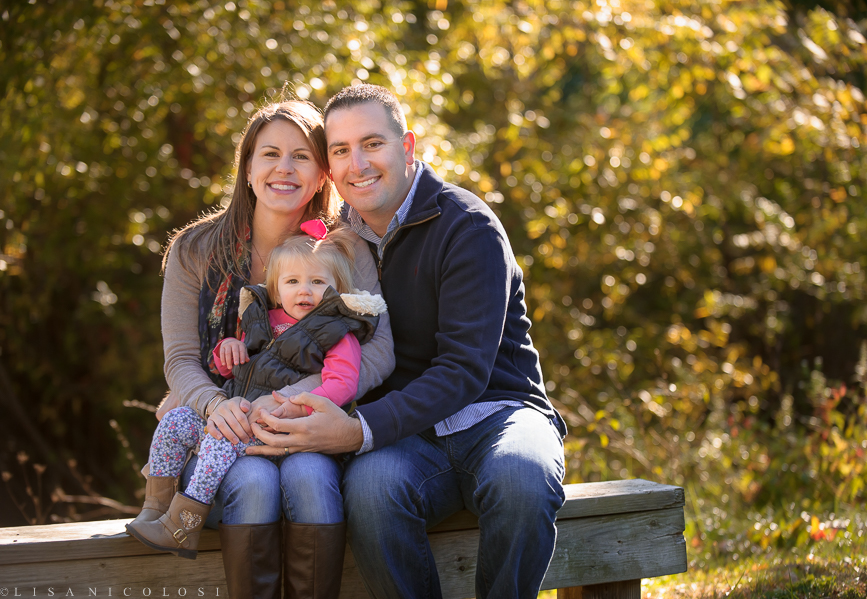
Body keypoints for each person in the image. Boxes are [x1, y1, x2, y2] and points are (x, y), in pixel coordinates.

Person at [248, 84, 567, 599]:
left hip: (498, 412)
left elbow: (464, 371)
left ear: (408, 147)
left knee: (522, 479)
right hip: (410, 436)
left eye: (373, 144)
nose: (359, 163)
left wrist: (358, 430)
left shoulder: (467, 226)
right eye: (341, 150)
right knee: (371, 491)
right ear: (329, 167)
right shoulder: (335, 246)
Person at [153, 100, 394, 598]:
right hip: (224, 433)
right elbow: (179, 360)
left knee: (308, 475)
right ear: (247, 167)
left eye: (301, 156)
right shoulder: (195, 251)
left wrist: (288, 404)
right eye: (269, 154)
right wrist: (216, 404)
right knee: (256, 484)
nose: (284, 169)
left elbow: (378, 350)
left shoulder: (346, 249)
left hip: (312, 421)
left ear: (322, 172)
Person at [127, 224, 386, 570]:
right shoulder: (264, 319)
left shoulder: (339, 334)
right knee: (175, 422)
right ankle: (155, 507)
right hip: (236, 411)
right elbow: (232, 370)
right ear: (276, 288)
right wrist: (229, 349)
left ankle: (182, 526)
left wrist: (290, 405)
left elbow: (341, 384)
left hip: (277, 426)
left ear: (337, 289)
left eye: (318, 282)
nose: (304, 291)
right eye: (292, 282)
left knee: (220, 439)